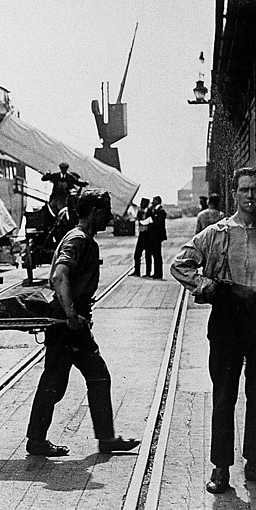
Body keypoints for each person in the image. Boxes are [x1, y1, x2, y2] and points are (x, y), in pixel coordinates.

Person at [171, 167, 256, 494]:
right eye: (244, 190)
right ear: (234, 194)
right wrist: (207, 286)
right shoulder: (215, 234)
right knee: (224, 395)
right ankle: (221, 468)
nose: (250, 196)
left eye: (254, 190)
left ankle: (255, 463)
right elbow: (180, 264)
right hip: (227, 320)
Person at [25, 188, 140, 457]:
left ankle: (106, 437)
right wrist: (71, 315)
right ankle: (37, 440)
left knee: (96, 374)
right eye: (106, 212)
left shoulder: (82, 238)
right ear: (95, 211)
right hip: (68, 323)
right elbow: (59, 276)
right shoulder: (78, 240)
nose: (109, 218)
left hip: (73, 321)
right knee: (56, 380)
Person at [147, 195, 167, 279]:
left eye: (154, 200)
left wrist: (151, 224)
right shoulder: (155, 210)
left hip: (157, 236)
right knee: (155, 254)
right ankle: (156, 272)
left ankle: (158, 273)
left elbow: (159, 223)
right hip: (155, 236)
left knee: (157, 255)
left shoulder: (160, 211)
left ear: (157, 201)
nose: (152, 202)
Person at [132, 197, 153, 277]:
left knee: (148, 255)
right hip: (141, 235)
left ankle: (148, 273)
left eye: (142, 203)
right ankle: (137, 271)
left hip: (148, 236)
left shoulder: (151, 212)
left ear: (146, 204)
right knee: (137, 255)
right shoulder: (140, 212)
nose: (141, 204)